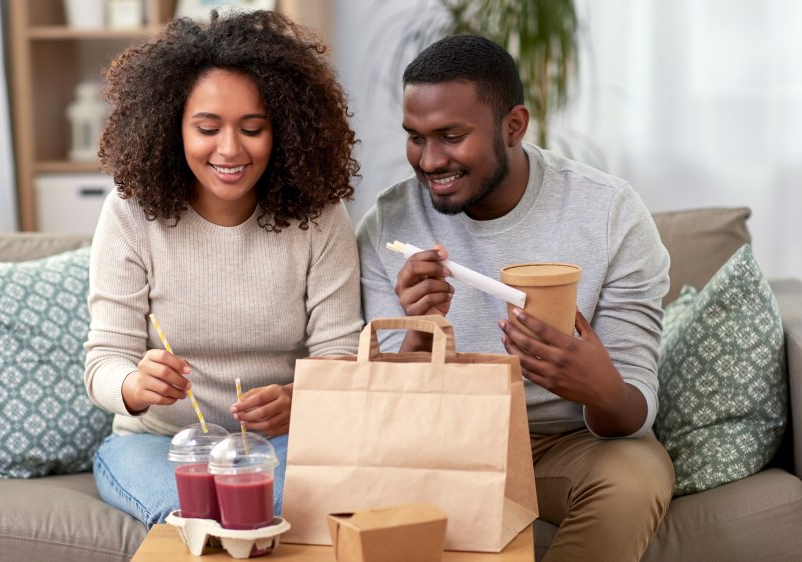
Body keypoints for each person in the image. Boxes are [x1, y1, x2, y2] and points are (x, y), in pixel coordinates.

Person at [356, 34, 673, 561]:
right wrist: (417, 335)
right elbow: (381, 412)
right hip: (442, 446)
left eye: (451, 136)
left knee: (635, 478)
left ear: (514, 125)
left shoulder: (610, 214)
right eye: (415, 137)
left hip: (566, 445)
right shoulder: (389, 226)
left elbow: (634, 408)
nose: (430, 160)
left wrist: (600, 388)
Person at [85, 10, 363, 529]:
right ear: (172, 126)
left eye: (253, 129)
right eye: (207, 128)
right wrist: (134, 386)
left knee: (269, 505)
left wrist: (299, 400)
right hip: (159, 445)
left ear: (285, 130)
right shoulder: (130, 214)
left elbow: (341, 357)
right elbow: (104, 361)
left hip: (278, 444)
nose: (230, 149)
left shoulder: (320, 218)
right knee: (200, 511)